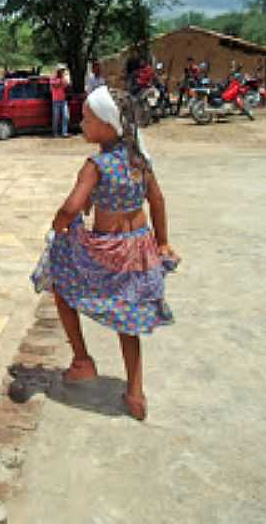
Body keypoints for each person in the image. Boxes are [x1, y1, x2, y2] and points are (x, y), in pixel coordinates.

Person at [31, 86, 179, 421]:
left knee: (58, 275)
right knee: (128, 319)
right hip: (139, 247)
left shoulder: (95, 165)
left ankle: (82, 360)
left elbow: (71, 207)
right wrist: (163, 242)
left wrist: (59, 226)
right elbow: (157, 200)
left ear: (109, 124)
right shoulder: (140, 160)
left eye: (87, 118)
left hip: (108, 251)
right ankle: (136, 392)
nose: (81, 122)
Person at [50, 68, 70, 137]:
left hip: (63, 100)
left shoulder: (63, 79)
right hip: (56, 101)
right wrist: (61, 80)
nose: (62, 72)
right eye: (61, 71)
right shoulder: (53, 79)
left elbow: (67, 85)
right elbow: (55, 85)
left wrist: (64, 79)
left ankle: (64, 132)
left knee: (66, 116)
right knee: (56, 118)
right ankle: (55, 133)